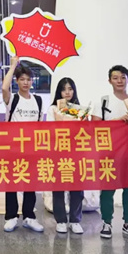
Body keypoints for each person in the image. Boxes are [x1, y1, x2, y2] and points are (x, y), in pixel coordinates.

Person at [91, 65, 128, 240]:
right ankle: (106, 222)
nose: (119, 81)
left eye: (123, 77)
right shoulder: (103, 102)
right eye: (115, 78)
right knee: (107, 189)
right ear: (109, 81)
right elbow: (95, 127)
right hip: (109, 153)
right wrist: (118, 121)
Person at [1, 56, 44, 233]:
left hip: (32, 148)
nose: (26, 82)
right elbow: (4, 88)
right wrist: (13, 66)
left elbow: (40, 125)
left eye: (28, 79)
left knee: (30, 183)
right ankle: (11, 217)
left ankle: (29, 217)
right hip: (13, 147)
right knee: (11, 182)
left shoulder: (38, 100)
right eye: (22, 79)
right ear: (17, 81)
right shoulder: (12, 99)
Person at [46, 78, 85, 234]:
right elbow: (49, 130)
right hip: (58, 152)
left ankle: (75, 220)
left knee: (77, 187)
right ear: (59, 92)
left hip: (77, 152)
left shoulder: (80, 110)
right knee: (58, 187)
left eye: (70, 89)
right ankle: (61, 220)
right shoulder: (53, 109)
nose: (67, 92)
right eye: (64, 89)